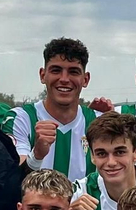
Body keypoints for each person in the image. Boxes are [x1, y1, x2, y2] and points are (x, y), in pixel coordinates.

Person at [11, 37, 100, 181]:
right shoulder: (21, 118)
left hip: (86, 204)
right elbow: (13, 179)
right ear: (42, 75)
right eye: (56, 70)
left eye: (73, 72)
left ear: (86, 79)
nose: (64, 79)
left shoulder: (98, 121)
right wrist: (37, 155)